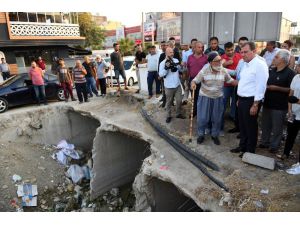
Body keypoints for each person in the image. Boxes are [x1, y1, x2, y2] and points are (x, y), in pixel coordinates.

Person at [230, 42, 269, 157]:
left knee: (250, 127)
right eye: (241, 52)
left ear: (254, 51)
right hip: (242, 99)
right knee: (242, 125)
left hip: (252, 100)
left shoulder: (260, 65)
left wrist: (255, 104)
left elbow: (261, 86)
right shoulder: (245, 63)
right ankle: (242, 146)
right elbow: (243, 82)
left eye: (245, 52)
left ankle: (250, 151)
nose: (243, 54)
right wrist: (239, 98)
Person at [191, 52, 238, 145]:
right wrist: (193, 83)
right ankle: (201, 134)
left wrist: (242, 83)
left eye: (220, 60)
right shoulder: (205, 70)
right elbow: (195, 80)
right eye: (217, 61)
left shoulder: (223, 70)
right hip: (205, 97)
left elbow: (231, 81)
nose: (220, 62)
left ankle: (214, 135)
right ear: (211, 62)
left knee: (217, 118)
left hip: (218, 98)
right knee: (203, 118)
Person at [259, 49, 295, 153]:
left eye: (276, 57)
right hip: (268, 103)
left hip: (280, 105)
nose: (273, 59)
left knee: (277, 128)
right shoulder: (271, 70)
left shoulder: (290, 73)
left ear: (283, 60)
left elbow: (291, 89)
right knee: (265, 125)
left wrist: (277, 88)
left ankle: (274, 146)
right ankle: (264, 142)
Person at [277, 64, 300, 161]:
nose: (297, 68)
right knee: (290, 134)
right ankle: (286, 153)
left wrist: (297, 101)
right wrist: (289, 109)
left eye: (299, 66)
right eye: (298, 65)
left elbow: (294, 99)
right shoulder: (296, 77)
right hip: (294, 113)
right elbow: (291, 94)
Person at [220, 42, 242, 134]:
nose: (230, 52)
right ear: (225, 50)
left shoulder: (239, 56)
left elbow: (239, 71)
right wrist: (226, 63)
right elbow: (219, 68)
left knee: (235, 102)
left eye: (232, 50)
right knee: (223, 101)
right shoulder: (222, 57)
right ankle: (221, 118)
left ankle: (233, 117)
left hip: (237, 84)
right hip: (226, 84)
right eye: (228, 50)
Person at [159, 47, 185, 123]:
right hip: (168, 86)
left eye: (172, 52)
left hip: (177, 85)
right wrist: (166, 68)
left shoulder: (176, 60)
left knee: (179, 100)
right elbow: (161, 74)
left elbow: (180, 70)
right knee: (169, 102)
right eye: (170, 52)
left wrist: (181, 66)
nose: (172, 54)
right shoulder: (162, 63)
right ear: (166, 53)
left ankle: (178, 113)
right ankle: (168, 115)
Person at [186, 41, 208, 117]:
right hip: (193, 80)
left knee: (202, 97)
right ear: (194, 48)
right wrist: (188, 79)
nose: (201, 49)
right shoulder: (190, 57)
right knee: (194, 97)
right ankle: (194, 111)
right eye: (199, 47)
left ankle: (201, 112)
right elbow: (188, 68)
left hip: (203, 81)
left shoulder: (206, 57)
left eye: (202, 47)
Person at [181, 38, 198, 104]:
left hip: (198, 74)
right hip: (189, 73)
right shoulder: (187, 53)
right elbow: (184, 63)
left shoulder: (200, 51)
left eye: (195, 43)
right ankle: (187, 99)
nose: (194, 45)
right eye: (193, 43)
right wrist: (184, 71)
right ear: (191, 44)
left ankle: (194, 100)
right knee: (188, 86)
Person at [158, 41, 169, 107]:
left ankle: (171, 103)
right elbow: (159, 65)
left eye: (164, 45)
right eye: (162, 46)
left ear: (167, 45)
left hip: (170, 76)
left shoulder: (172, 53)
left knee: (169, 90)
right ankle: (164, 102)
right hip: (163, 76)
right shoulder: (162, 55)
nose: (163, 47)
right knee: (164, 90)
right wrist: (159, 74)